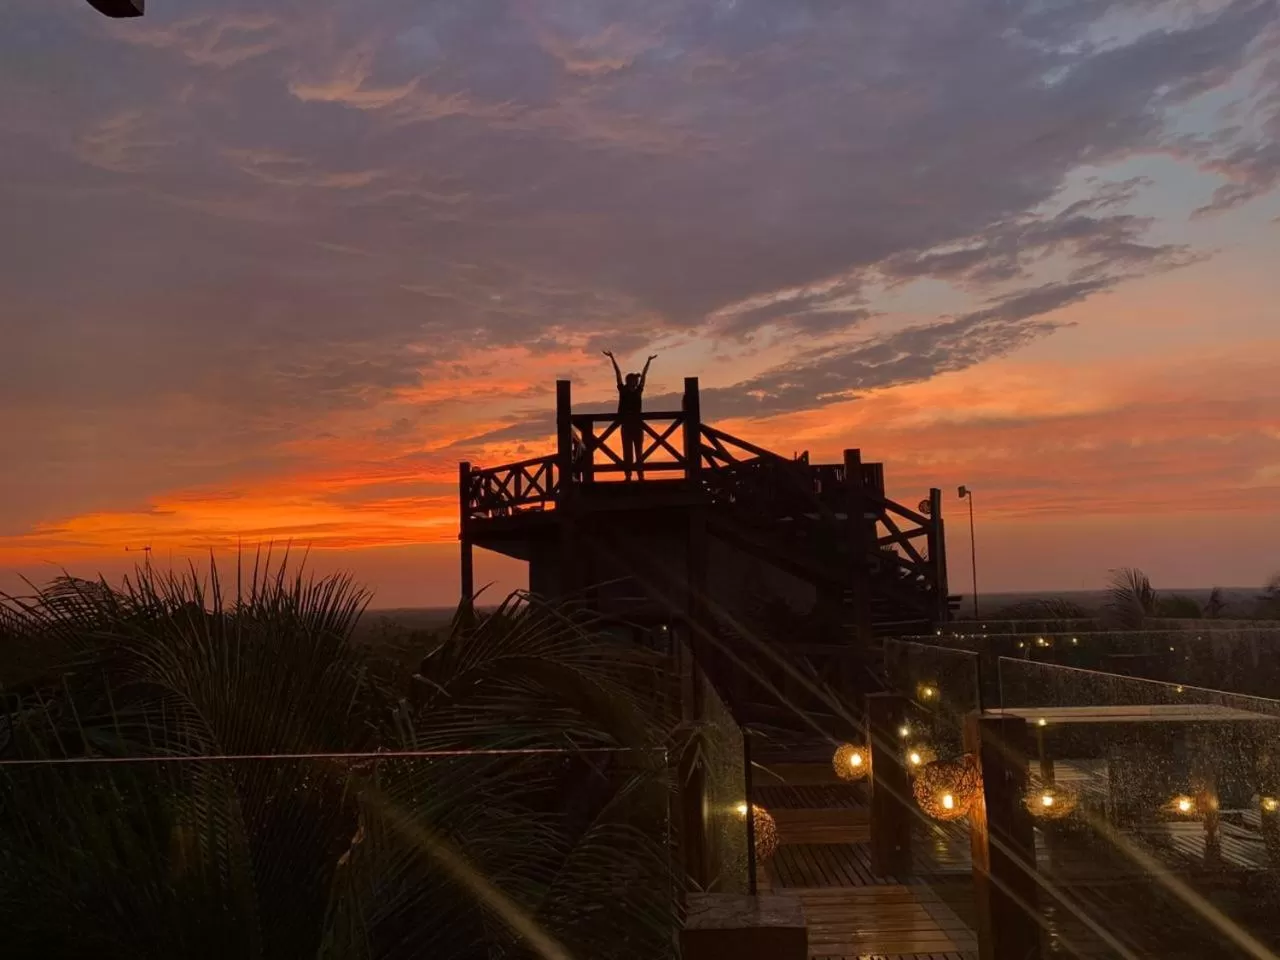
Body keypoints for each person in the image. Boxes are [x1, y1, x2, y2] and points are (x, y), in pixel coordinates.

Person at [603, 350, 656, 480]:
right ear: (630, 381)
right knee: (628, 452)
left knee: (638, 451)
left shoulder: (637, 390)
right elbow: (618, 374)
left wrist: (648, 361)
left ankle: (640, 475)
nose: (636, 381)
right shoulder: (624, 390)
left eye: (636, 380)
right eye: (634, 380)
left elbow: (644, 376)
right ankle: (628, 475)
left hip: (636, 426)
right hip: (627, 425)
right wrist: (612, 358)